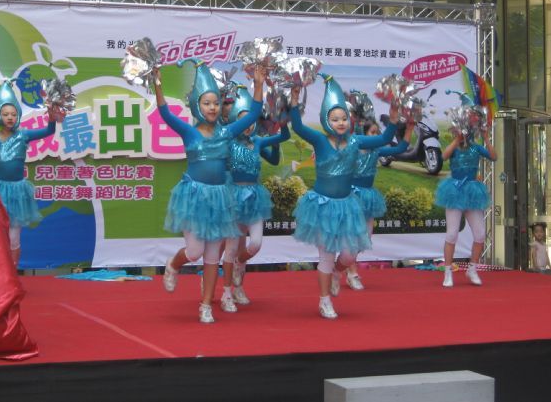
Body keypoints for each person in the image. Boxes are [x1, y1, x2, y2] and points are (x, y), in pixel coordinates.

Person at [154, 60, 266, 323]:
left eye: (216, 103)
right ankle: (173, 265)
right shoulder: (188, 132)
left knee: (213, 256)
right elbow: (165, 113)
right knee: (194, 251)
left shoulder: (227, 132)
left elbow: (253, 114)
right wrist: (157, 82)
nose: (213, 107)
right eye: (206, 103)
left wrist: (259, 84)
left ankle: (205, 305)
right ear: (197, 106)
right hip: (194, 197)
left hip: (219, 199)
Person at [290, 74, 398, 319]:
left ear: (350, 120)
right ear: (326, 120)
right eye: (335, 119)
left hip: (347, 206)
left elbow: (383, 139)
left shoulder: (355, 141)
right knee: (326, 256)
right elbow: (297, 127)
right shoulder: (319, 140)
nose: (340, 123)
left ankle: (339, 272)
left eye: (344, 118)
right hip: (322, 206)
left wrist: (393, 119)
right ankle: (324, 300)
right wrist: (294, 100)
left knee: (349, 254)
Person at [0, 80, 56, 267]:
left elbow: (50, 130)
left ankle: (12, 269)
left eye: (13, 114)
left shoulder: (24, 135)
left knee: (14, 235)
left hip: (17, 192)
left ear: (18, 116)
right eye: (6, 114)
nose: (10, 117)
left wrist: (52, 114)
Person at [223, 84, 291, 306]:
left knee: (255, 244)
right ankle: (229, 292)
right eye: (242, 120)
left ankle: (238, 269)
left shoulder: (258, 141)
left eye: (251, 121)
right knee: (232, 248)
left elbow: (284, 136)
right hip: (233, 197)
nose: (248, 125)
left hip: (254, 198)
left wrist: (280, 119)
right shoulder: (228, 142)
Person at [344, 119, 414, 290]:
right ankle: (352, 273)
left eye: (377, 132)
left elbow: (400, 148)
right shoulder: (353, 148)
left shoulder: (376, 150)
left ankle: (344, 261)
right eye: (372, 132)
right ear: (363, 133)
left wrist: (410, 128)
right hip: (352, 195)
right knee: (353, 236)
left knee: (366, 238)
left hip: (369, 197)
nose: (375, 135)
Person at [435, 126, 496, 288]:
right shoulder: (454, 146)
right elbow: (444, 156)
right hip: (455, 191)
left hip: (472, 191)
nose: (465, 134)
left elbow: (494, 157)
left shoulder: (476, 147)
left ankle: (472, 269)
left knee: (480, 234)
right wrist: (457, 140)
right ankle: (448, 272)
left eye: (467, 132)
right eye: (461, 131)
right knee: (452, 233)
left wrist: (486, 137)